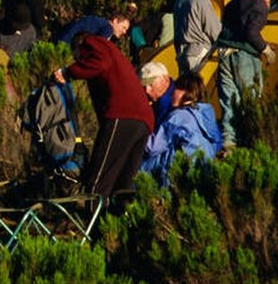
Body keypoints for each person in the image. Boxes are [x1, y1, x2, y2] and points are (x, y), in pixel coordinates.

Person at [53, 32, 153, 197]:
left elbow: (100, 64)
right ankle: (117, 219)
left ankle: (92, 218)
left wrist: (69, 72)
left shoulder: (93, 43)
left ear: (79, 47)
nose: (78, 61)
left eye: (76, 56)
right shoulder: (114, 55)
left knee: (99, 179)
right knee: (124, 182)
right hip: (144, 120)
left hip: (123, 114)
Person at [215, 0, 278, 149]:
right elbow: (251, 32)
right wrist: (265, 49)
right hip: (243, 56)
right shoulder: (259, 5)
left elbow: (229, 21)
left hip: (224, 52)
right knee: (249, 100)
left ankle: (229, 142)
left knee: (229, 100)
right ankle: (249, 142)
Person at [139, 74, 223, 184]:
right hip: (202, 174)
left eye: (176, 89)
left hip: (178, 175)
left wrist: (137, 133)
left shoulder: (178, 117)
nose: (172, 93)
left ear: (186, 92)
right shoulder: (206, 114)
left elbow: (152, 147)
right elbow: (217, 143)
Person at [173, 0, 222, 77]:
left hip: (181, 52)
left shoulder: (179, 1)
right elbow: (214, 30)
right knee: (196, 87)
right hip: (198, 52)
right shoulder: (202, 1)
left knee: (184, 88)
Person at [55, 10, 130, 47]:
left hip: (63, 37)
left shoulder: (99, 22)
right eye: (123, 27)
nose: (124, 32)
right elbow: (98, 46)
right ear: (115, 21)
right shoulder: (108, 28)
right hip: (66, 43)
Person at [138, 60, 173, 126]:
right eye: (144, 86)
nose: (147, 90)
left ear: (165, 80)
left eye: (151, 85)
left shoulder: (175, 104)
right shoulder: (155, 103)